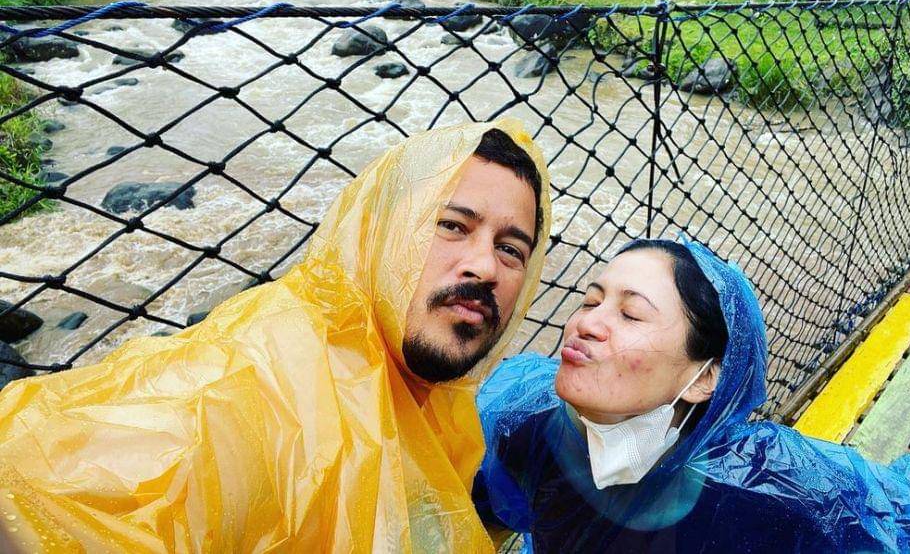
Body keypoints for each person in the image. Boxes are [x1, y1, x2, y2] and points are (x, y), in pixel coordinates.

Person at [0, 120, 551, 553]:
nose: (485, 266)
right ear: (380, 234)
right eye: (452, 225)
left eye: (511, 249)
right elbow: (53, 490)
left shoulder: (440, 402)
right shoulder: (256, 383)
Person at [475, 237, 910, 552]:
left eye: (631, 314)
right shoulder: (520, 417)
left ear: (706, 377)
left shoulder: (774, 487)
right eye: (590, 301)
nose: (586, 323)